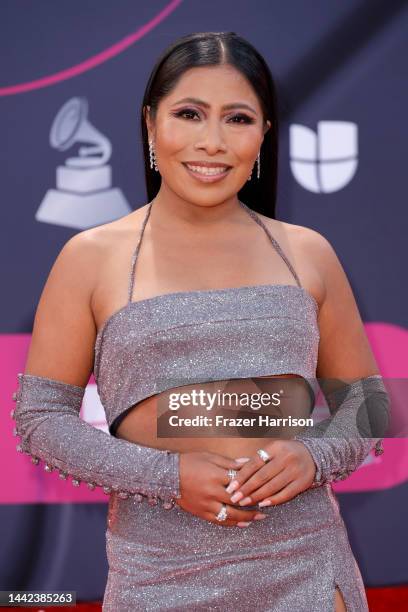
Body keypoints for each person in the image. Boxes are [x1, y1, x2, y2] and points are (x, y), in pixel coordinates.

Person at [13, 32, 389, 611]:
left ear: (262, 134)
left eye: (237, 118)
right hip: (158, 576)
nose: (211, 142)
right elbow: (40, 420)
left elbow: (367, 402)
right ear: (150, 123)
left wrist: (313, 456)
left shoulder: (307, 252)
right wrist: (168, 476)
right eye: (189, 114)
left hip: (306, 567)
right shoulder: (92, 257)